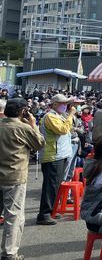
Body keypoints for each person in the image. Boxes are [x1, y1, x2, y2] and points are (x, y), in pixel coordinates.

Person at [0, 98, 45, 260]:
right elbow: (39, 143)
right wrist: (33, 124)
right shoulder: (24, 127)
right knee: (13, 216)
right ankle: (9, 253)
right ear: (22, 111)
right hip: (14, 176)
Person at [37, 94, 77, 225]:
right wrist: (70, 115)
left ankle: (52, 211)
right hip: (53, 156)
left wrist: (69, 116)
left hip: (60, 155)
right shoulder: (50, 116)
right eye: (62, 103)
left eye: (66, 104)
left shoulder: (59, 115)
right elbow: (63, 129)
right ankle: (44, 214)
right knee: (50, 186)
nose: (65, 106)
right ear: (54, 104)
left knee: (56, 186)